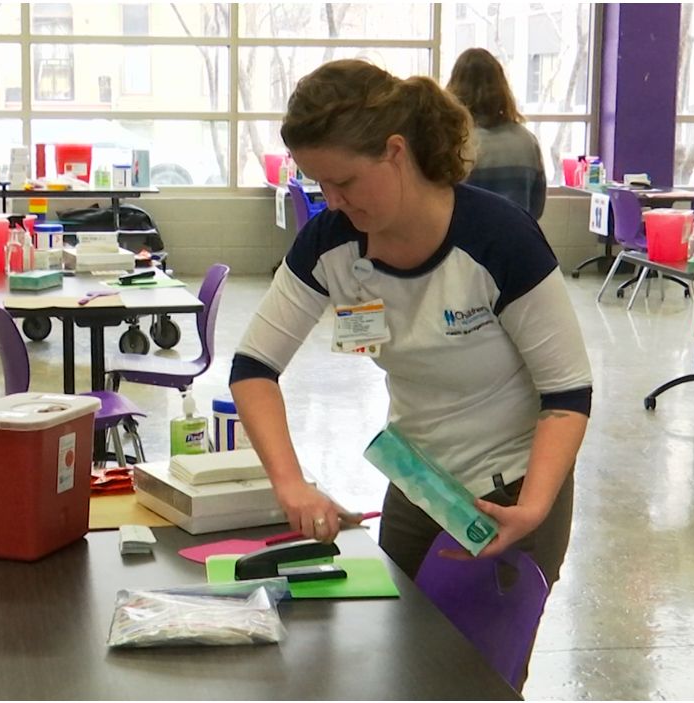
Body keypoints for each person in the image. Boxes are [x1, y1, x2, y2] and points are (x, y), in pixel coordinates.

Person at [230, 59, 591, 595]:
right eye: (319, 183)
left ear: (395, 152)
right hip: (418, 480)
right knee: (401, 639)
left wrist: (534, 507)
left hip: (514, 488)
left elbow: (567, 393)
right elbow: (253, 367)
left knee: (483, 648)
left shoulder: (500, 239)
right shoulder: (331, 243)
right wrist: (291, 485)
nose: (333, 201)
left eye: (345, 181)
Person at [446, 47, 547, 220]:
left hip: (467, 236)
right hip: (516, 234)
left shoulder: (455, 142)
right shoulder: (527, 141)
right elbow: (536, 208)